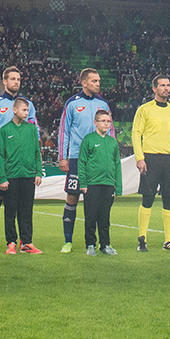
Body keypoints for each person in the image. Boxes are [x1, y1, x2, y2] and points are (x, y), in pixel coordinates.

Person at [131, 74, 170, 252]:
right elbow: (136, 133)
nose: (166, 88)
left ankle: (169, 240)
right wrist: (139, 157)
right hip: (150, 158)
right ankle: (142, 239)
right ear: (154, 88)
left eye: (168, 85)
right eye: (162, 85)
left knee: (169, 199)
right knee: (147, 198)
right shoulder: (144, 110)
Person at [57, 68, 113, 253]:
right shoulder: (72, 103)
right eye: (94, 81)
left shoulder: (102, 104)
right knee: (72, 196)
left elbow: (110, 131)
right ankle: (68, 241)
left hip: (98, 159)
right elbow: (64, 130)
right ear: (84, 83)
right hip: (77, 157)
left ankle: (97, 242)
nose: (98, 84)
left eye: (99, 81)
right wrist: (62, 156)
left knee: (97, 200)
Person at [0, 67, 33, 252]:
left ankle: (23, 241)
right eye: (12, 79)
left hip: (21, 163)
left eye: (18, 79)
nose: (16, 82)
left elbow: (33, 129)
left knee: (20, 203)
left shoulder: (28, 104)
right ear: (4, 81)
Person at [0, 98, 45, 254]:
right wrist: (3, 178)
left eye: (28, 110)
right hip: (11, 176)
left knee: (27, 211)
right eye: (24, 110)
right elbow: (0, 155)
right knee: (10, 211)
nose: (27, 113)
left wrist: (38, 172)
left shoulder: (31, 129)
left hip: (28, 176)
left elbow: (37, 151)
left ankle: (27, 243)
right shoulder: (5, 130)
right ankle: (11, 242)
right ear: (15, 110)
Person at [77, 110, 120, 255]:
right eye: (103, 121)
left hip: (108, 184)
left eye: (108, 121)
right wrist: (83, 183)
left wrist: (118, 186)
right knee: (91, 216)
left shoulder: (112, 142)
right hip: (92, 184)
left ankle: (105, 244)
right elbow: (82, 162)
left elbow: (117, 164)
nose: (106, 124)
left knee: (105, 217)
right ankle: (90, 245)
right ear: (95, 122)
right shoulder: (88, 139)